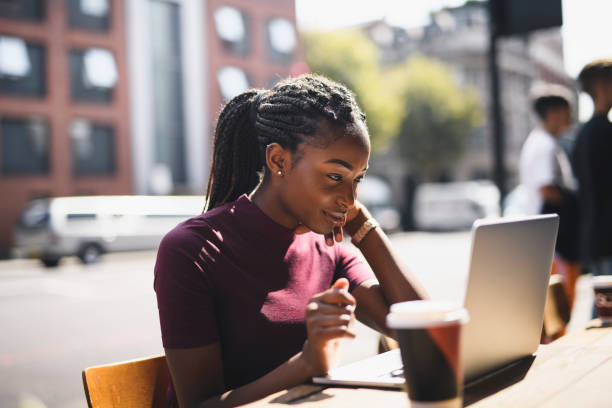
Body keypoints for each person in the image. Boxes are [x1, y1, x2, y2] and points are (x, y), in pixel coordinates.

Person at [153, 74, 428, 407]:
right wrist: (307, 363)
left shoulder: (328, 249)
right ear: (278, 160)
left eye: (357, 180)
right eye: (335, 176)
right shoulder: (192, 250)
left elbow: (424, 333)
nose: (349, 196)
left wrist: (361, 223)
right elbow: (198, 405)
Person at [518, 85, 579, 341]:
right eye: (567, 110)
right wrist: (577, 201)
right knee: (557, 304)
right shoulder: (543, 145)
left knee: (555, 305)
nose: (571, 115)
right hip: (552, 238)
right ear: (553, 112)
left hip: (547, 237)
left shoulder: (543, 142)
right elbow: (547, 189)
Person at [572, 59, 612, 317]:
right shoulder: (602, 133)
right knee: (605, 318)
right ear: (601, 86)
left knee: (603, 315)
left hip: (597, 236)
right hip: (608, 237)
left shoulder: (583, 134)